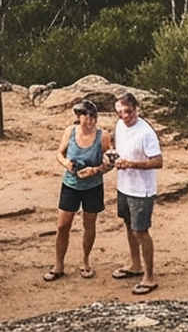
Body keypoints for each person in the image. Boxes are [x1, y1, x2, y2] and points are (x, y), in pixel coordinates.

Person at [45, 99, 111, 280]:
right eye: (86, 116)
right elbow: (60, 152)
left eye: (93, 117)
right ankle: (58, 264)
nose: (90, 120)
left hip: (93, 186)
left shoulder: (103, 137)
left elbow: (109, 162)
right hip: (71, 185)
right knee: (62, 225)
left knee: (89, 225)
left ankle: (85, 261)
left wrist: (95, 170)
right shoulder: (70, 132)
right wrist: (66, 163)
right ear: (79, 117)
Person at [110, 92, 162, 294]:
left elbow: (158, 161)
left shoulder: (146, 133)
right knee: (129, 226)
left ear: (136, 109)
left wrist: (132, 164)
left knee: (141, 231)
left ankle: (149, 277)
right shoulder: (120, 126)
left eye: (128, 112)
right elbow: (118, 146)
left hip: (142, 190)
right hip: (124, 185)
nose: (124, 116)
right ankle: (135, 265)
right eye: (120, 112)